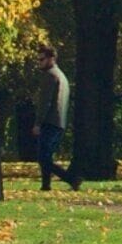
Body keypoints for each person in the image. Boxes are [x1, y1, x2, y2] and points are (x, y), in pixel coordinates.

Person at [30, 45, 76, 192]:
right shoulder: (62, 76)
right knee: (46, 156)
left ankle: (71, 179)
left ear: (52, 58)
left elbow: (45, 102)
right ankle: (45, 185)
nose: (40, 63)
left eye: (42, 59)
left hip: (50, 122)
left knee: (43, 157)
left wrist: (38, 123)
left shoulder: (50, 76)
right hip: (59, 122)